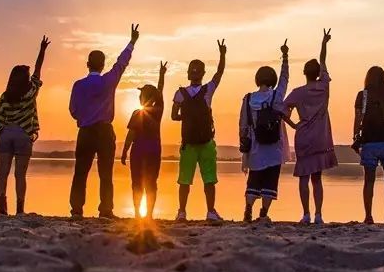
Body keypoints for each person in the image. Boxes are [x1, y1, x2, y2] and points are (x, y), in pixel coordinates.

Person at [68, 24, 139, 219]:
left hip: (85, 131)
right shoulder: (108, 80)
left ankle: (76, 209)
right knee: (106, 174)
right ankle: (106, 210)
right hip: (104, 131)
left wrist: (83, 117)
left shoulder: (79, 85)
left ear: (88, 64)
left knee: (80, 172)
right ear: (102, 64)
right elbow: (121, 63)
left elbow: (73, 110)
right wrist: (132, 42)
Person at [282, 29, 337, 225]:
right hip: (321, 138)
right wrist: (323, 43)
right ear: (319, 74)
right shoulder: (324, 88)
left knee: (304, 178)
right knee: (317, 179)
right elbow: (323, 63)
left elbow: (281, 109)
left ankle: (306, 214)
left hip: (303, 137)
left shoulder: (297, 93)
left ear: (304, 73)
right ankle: (319, 215)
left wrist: (293, 124)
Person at [0, 35, 50, 216]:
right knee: (20, 175)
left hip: (6, 134)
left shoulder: (5, 95)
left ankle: (2, 207)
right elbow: (38, 70)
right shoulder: (31, 91)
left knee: (3, 172)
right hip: (23, 134)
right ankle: (19, 209)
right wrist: (42, 50)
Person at [171, 39, 227, 222]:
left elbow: (173, 116)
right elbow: (219, 73)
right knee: (209, 179)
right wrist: (222, 54)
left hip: (188, 143)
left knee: (184, 180)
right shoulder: (208, 89)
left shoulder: (180, 93)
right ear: (203, 74)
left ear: (188, 74)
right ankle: (210, 211)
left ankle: (181, 212)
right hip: (206, 142)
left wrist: (186, 117)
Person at [239, 41, 290, 223]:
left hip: (255, 147)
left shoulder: (248, 99)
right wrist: (285, 56)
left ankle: (248, 208)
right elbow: (285, 79)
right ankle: (263, 213)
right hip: (274, 146)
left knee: (254, 179)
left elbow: (243, 125)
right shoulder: (276, 96)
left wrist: (244, 144)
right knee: (270, 181)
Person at [353, 39, 384, 224]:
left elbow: (357, 119)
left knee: (369, 181)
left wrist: (355, 137)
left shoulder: (363, 95)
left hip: (369, 143)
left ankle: (368, 216)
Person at [120, 61, 168, 219]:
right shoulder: (158, 110)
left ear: (144, 97)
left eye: (141, 94)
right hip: (154, 151)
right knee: (151, 183)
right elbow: (160, 92)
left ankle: (137, 215)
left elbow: (131, 135)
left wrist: (124, 151)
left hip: (139, 152)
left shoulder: (137, 113)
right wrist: (161, 75)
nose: (139, 96)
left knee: (137, 184)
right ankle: (148, 215)